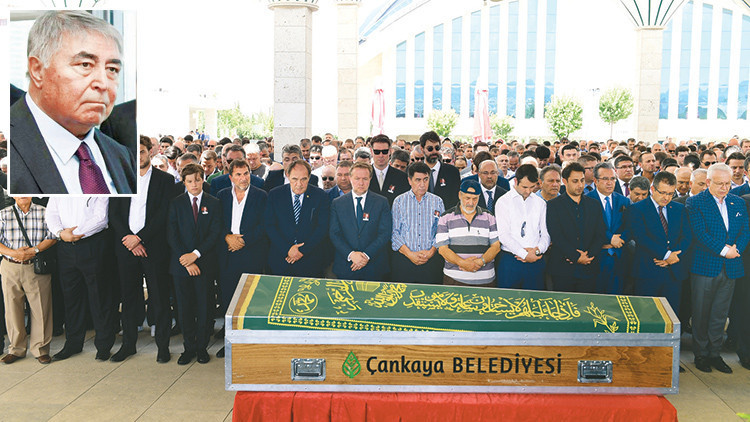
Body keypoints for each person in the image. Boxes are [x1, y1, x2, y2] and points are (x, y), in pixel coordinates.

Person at [10, 11, 136, 195]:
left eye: (112, 69)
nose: (103, 83)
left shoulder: (122, 156)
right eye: (85, 65)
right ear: (37, 70)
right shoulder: (10, 145)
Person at [108, 136, 175, 363]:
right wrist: (129, 239)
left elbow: (163, 215)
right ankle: (128, 345)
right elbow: (113, 213)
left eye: (142, 151)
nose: (139, 156)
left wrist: (140, 238)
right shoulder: (119, 178)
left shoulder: (165, 180)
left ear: (150, 152)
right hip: (126, 247)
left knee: (160, 297)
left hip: (153, 248)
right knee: (128, 298)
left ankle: (163, 347)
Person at [687, 163, 750, 373]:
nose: (724, 188)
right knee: (701, 313)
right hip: (705, 266)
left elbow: (745, 231)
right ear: (708, 182)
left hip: (731, 266)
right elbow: (700, 233)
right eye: (720, 183)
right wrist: (724, 251)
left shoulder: (737, 202)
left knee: (720, 314)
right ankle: (701, 354)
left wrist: (736, 250)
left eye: (728, 184)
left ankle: (715, 353)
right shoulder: (695, 202)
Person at [46, 196, 116, 361]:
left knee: (99, 296)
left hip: (92, 244)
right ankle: (73, 344)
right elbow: (51, 213)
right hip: (65, 247)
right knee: (71, 298)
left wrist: (73, 234)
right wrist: (60, 233)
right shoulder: (59, 187)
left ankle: (104, 346)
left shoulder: (98, 185)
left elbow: (100, 218)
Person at [167, 163, 223, 365]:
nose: (194, 184)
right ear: (184, 182)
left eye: (197, 180)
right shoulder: (176, 203)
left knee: (204, 307)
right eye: (190, 181)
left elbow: (215, 232)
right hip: (181, 265)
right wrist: (186, 259)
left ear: (202, 179)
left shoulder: (214, 203)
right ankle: (188, 347)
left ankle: (201, 347)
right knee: (185, 308)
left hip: (204, 263)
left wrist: (196, 254)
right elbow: (172, 234)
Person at [216, 159, 267, 358]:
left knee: (250, 302)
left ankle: (249, 345)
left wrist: (244, 240)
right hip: (228, 254)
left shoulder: (261, 196)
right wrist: (227, 237)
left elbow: (265, 225)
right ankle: (230, 344)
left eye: (246, 173)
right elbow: (216, 222)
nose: (243, 178)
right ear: (231, 177)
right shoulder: (222, 196)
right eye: (238, 174)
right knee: (229, 300)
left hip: (251, 254)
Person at [625, 171, 690, 318]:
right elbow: (641, 237)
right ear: (653, 189)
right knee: (646, 316)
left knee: (671, 317)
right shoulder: (637, 209)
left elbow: (687, 237)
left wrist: (673, 257)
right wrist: (666, 255)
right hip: (648, 272)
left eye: (670, 193)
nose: (666, 197)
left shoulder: (679, 209)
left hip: (673, 273)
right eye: (663, 193)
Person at [0, 197, 56, 364]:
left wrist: (34, 250)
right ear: (12, 195)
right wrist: (14, 253)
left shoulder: (44, 212)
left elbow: (53, 236)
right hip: (10, 266)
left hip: (35, 266)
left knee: (41, 308)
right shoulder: (3, 214)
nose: (22, 194)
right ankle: (16, 349)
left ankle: (41, 349)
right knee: (12, 308)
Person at [546, 162, 607, 293]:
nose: (580, 185)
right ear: (565, 181)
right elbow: (556, 235)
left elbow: (600, 234)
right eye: (575, 181)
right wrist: (575, 256)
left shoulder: (594, 205)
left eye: (582, 180)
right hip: (563, 269)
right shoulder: (553, 205)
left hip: (589, 267)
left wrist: (588, 256)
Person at [265, 160, 330, 278]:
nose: (299, 184)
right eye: (295, 179)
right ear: (288, 176)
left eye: (303, 179)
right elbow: (270, 226)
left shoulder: (321, 196)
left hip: (310, 262)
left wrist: (302, 250)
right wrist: (288, 249)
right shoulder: (275, 195)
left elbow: (322, 228)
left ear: (309, 177)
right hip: (281, 260)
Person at [329, 162, 392, 281]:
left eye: (365, 179)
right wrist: (351, 255)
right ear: (350, 178)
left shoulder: (381, 202)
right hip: (346, 266)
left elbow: (385, 233)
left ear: (370, 179)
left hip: (374, 266)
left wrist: (366, 256)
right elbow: (334, 234)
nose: (361, 183)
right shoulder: (337, 203)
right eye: (357, 178)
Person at [436, 179, 501, 287]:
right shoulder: (445, 217)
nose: (471, 203)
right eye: (467, 198)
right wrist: (463, 263)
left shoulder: (489, 217)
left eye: (475, 199)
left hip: (485, 280)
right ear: (459, 195)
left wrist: (480, 262)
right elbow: (442, 249)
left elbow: (496, 246)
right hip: (454, 280)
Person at [494, 164, 549, 290]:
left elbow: (545, 234)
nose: (528, 191)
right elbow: (503, 235)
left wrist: (537, 251)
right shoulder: (503, 202)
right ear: (515, 181)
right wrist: (524, 254)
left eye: (532, 187)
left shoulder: (540, 203)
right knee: (508, 300)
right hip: (510, 260)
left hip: (536, 260)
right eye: (524, 187)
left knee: (535, 299)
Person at [390, 162, 445, 284]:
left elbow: (441, 231)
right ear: (410, 180)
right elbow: (394, 233)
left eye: (425, 179)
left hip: (431, 263)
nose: (422, 184)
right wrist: (410, 254)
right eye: (418, 180)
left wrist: (431, 251)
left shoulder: (438, 202)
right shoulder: (399, 201)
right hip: (405, 262)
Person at [585, 162, 631, 294]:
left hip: (619, 258)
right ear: (595, 181)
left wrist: (619, 240)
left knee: (616, 298)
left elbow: (630, 226)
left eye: (612, 179)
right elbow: (588, 227)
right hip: (595, 259)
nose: (610, 183)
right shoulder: (586, 200)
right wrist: (610, 238)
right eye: (605, 179)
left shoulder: (623, 201)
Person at [420, 131, 461, 209]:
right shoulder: (414, 170)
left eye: (437, 148)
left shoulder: (452, 172)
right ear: (422, 149)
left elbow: (456, 200)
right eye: (430, 149)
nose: (434, 151)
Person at [368, 135, 409, 206]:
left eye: (384, 151)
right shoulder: (364, 176)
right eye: (377, 152)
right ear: (371, 151)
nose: (381, 155)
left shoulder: (402, 177)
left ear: (390, 151)